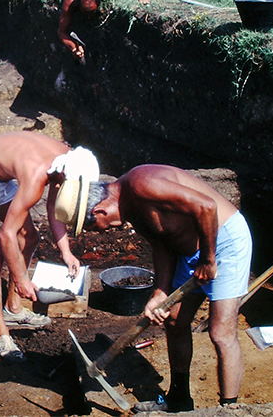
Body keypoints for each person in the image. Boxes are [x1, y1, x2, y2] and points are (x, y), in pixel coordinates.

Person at [68, 165, 252, 412]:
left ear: (99, 210)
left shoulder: (143, 185)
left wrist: (208, 259)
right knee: (174, 320)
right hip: (188, 251)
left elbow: (207, 206)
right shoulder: (130, 206)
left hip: (223, 241)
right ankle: (179, 399)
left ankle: (229, 409)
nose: (104, 231)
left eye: (97, 226)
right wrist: (159, 292)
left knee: (221, 332)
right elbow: (161, 242)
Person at [0, 132, 99, 361]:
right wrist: (21, 278)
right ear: (63, 175)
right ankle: (0, 334)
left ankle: (13, 308)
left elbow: (55, 207)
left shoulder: (66, 159)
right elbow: (7, 234)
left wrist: (66, 252)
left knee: (30, 238)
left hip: (1, 178)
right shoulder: (38, 174)